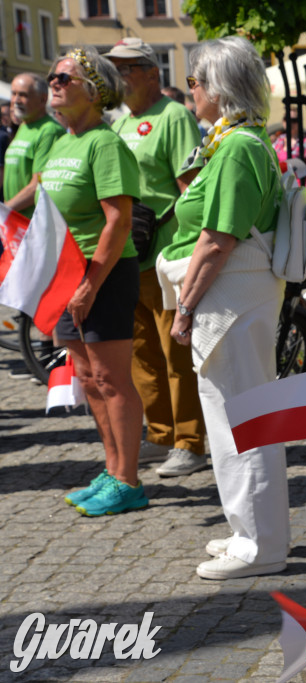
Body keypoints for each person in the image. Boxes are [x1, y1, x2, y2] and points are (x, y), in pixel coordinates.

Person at [157, 35, 287, 580]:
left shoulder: (236, 148)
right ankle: (250, 531)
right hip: (239, 297)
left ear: (218, 88)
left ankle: (259, 545)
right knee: (243, 418)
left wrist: (185, 306)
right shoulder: (241, 142)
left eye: (194, 81)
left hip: (231, 298)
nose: (190, 90)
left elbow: (216, 240)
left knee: (241, 421)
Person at [45, 48, 145, 517]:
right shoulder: (60, 143)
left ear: (95, 90)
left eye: (65, 77)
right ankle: (111, 469)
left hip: (103, 272)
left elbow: (118, 221)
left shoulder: (105, 144)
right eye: (53, 75)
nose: (54, 81)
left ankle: (128, 480)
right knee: (86, 378)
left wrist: (89, 285)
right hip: (66, 274)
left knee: (110, 378)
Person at [104, 37, 208, 478]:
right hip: (128, 255)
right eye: (115, 69)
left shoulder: (174, 116)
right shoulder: (118, 123)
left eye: (127, 68)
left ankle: (189, 441)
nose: (119, 76)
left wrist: (190, 249)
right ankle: (161, 433)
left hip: (164, 252)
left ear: (152, 73)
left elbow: (191, 185)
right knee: (141, 352)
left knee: (175, 353)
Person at [3, 73, 65, 216]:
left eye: (23, 95)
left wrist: (4, 210)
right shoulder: (24, 126)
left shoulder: (50, 131)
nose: (16, 100)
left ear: (43, 99)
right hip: (13, 219)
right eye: (14, 94)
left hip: (32, 222)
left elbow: (39, 185)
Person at [272, 106, 306, 186]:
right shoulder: (279, 140)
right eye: (287, 119)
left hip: (297, 187)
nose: (290, 123)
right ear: (283, 121)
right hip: (280, 186)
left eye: (294, 120)